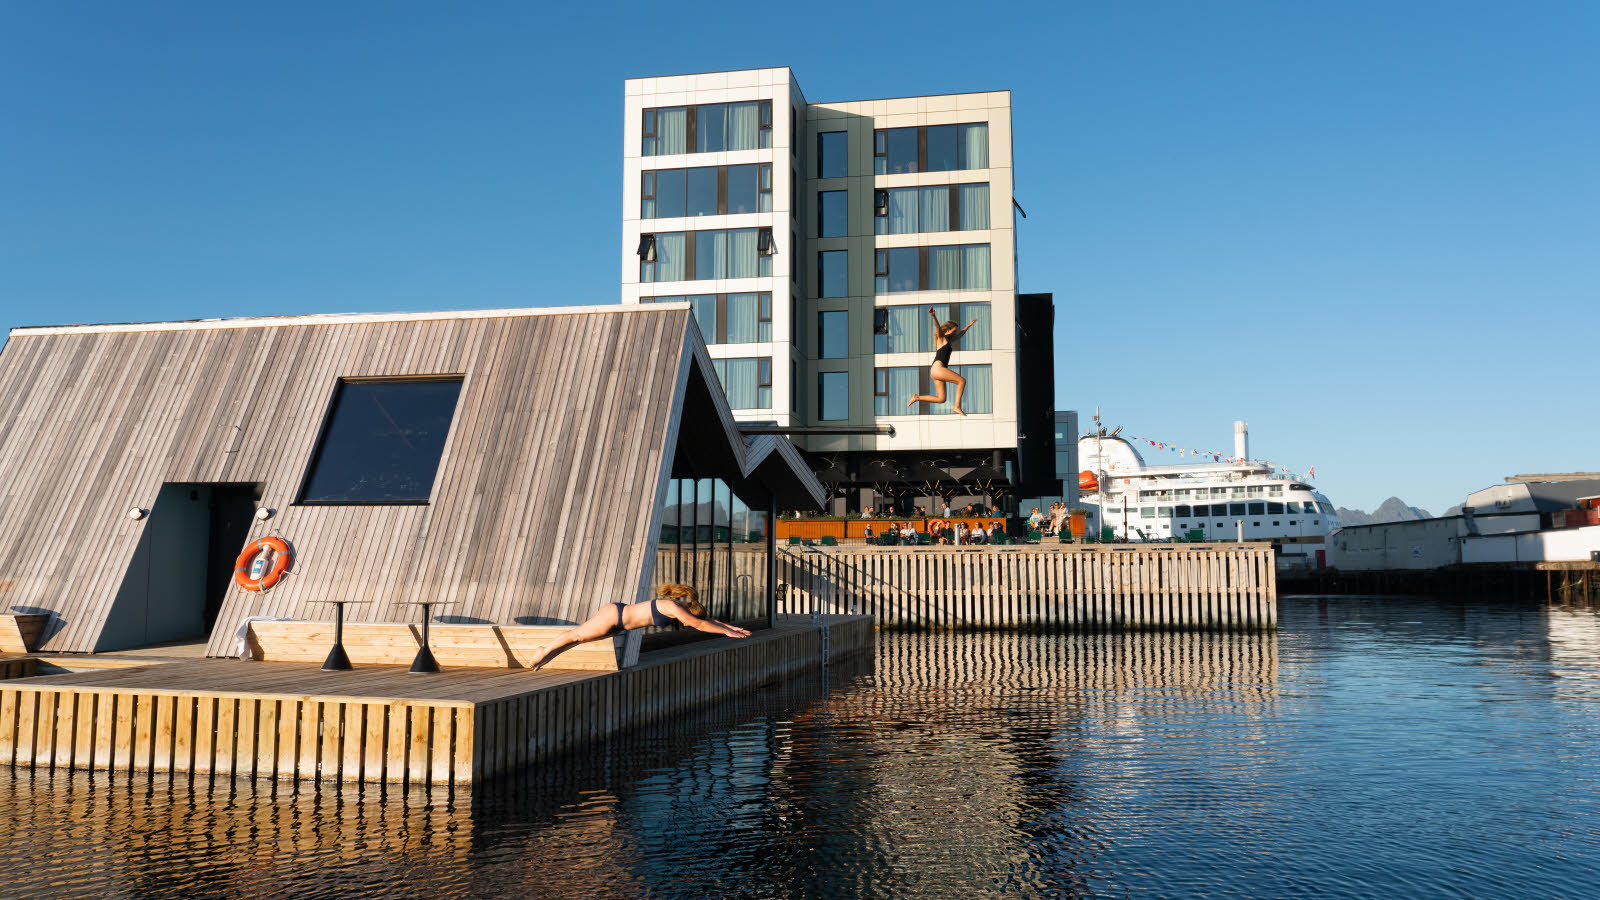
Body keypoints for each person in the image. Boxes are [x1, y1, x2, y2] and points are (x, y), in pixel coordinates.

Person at [529, 584, 749, 671]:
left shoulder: (677, 608)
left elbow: (706, 621)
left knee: (579, 640)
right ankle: (543, 651)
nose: (683, 623)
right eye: (685, 620)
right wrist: (727, 632)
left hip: (617, 623)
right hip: (614, 616)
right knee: (575, 635)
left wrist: (732, 628)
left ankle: (548, 656)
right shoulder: (672, 607)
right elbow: (699, 624)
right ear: (687, 610)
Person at [905, 308, 979, 415]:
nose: (954, 333)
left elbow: (960, 334)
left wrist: (969, 325)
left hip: (935, 372)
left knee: (941, 399)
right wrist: (933, 316)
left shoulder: (949, 340)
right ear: (947, 330)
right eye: (953, 331)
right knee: (961, 381)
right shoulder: (942, 338)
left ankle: (917, 397)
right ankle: (957, 406)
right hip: (938, 369)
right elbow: (937, 327)